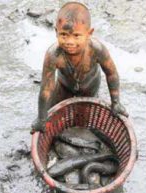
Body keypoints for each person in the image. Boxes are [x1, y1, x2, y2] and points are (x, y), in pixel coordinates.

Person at [31, 1, 127, 133]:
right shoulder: (53, 55)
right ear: (56, 32)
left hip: (90, 87)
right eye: (64, 35)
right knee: (54, 116)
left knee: (84, 121)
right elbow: (46, 88)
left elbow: (112, 74)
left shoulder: (96, 50)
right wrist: (41, 118)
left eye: (76, 35)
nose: (70, 42)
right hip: (64, 86)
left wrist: (115, 102)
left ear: (89, 33)